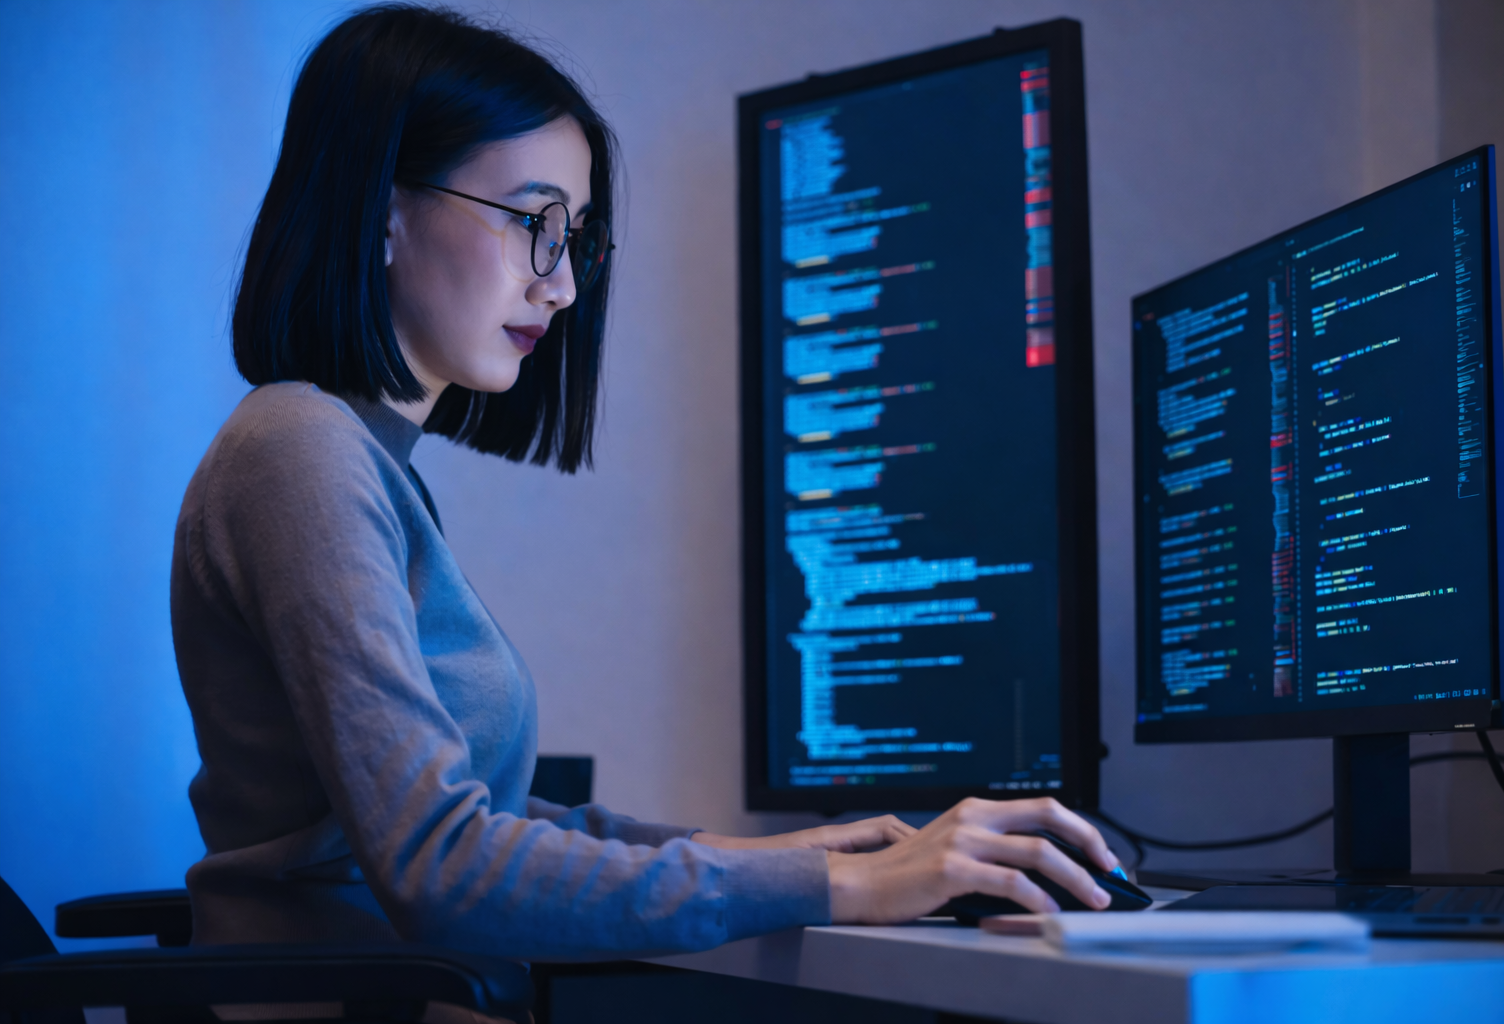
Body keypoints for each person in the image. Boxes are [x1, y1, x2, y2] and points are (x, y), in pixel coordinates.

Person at [171, 2, 1119, 962]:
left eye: (575, 236)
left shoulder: (362, 462)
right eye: (533, 222)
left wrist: (780, 856)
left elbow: (476, 819)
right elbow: (439, 868)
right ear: (383, 215)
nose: (563, 285)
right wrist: (845, 883)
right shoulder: (300, 449)